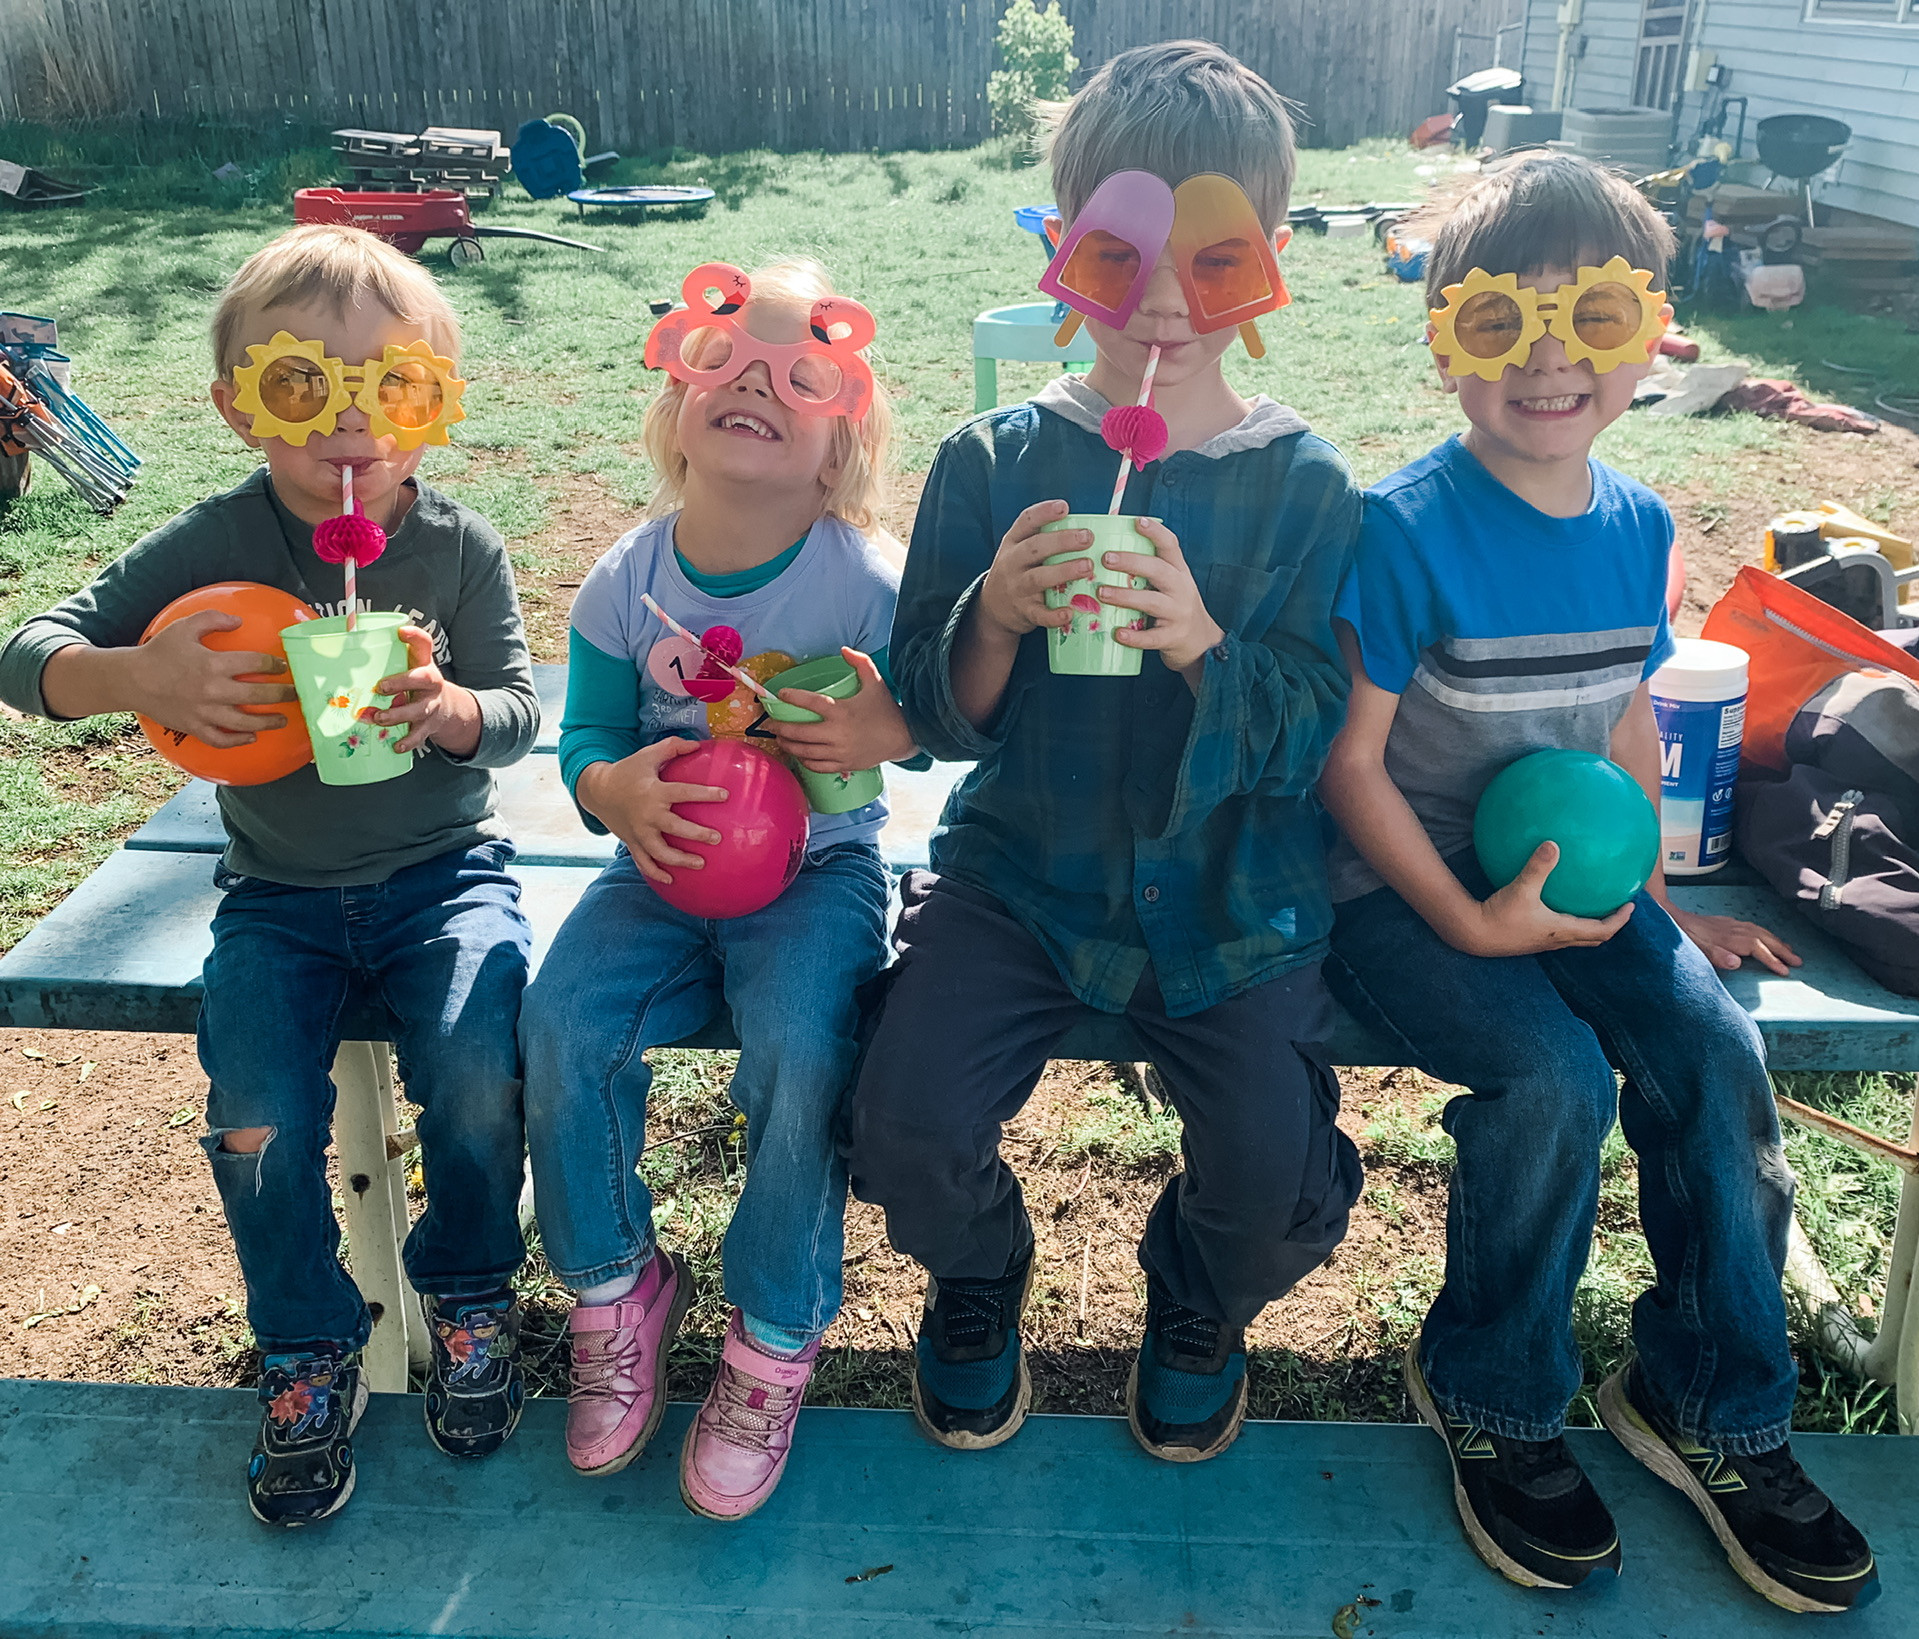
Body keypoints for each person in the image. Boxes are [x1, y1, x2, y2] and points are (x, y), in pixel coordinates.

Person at [1316, 155, 1878, 1612]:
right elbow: (1351, 767)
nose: (1550, 357)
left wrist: (1660, 898)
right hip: (1404, 895)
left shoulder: (1634, 525)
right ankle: (1495, 1393)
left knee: (1707, 1042)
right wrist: (1458, 916)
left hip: (1576, 877)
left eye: (1595, 316)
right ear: (1444, 333)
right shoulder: (1402, 527)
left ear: (1652, 332)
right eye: (1503, 318)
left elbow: (1623, 716)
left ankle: (1708, 1397)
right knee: (1555, 1075)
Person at [847, 41, 1364, 1465]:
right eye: (1116, 256)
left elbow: (1314, 723)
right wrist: (991, 621)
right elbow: (926, 713)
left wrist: (1205, 643)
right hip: (1025, 878)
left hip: (1232, 902)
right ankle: (976, 1271)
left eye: (1214, 263)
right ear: (1062, 249)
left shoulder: (1304, 480)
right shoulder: (995, 458)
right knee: (898, 1120)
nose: (1160, 305)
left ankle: (1197, 1297)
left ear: (1262, 266)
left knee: (1265, 1180)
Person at [0, 225, 539, 1526]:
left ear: (436, 406)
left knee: (477, 1067)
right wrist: (141, 674)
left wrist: (453, 712)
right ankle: (305, 1339)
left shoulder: (458, 549)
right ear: (241, 404)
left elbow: (521, 706)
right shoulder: (216, 541)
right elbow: (28, 653)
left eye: (394, 388)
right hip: (279, 898)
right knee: (252, 1113)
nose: (350, 425)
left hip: (444, 875)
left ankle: (470, 1294)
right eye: (305, 385)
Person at [518, 258, 920, 1521]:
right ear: (675, 398)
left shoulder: (864, 577)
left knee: (802, 1042)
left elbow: (922, 720)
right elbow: (580, 741)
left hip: (820, 871)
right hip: (656, 870)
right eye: (723, 363)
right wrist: (613, 793)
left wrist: (875, 727)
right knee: (561, 1027)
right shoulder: (624, 579)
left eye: (797, 378)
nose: (752, 387)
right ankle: (613, 1283)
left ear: (837, 438)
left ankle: (775, 1329)